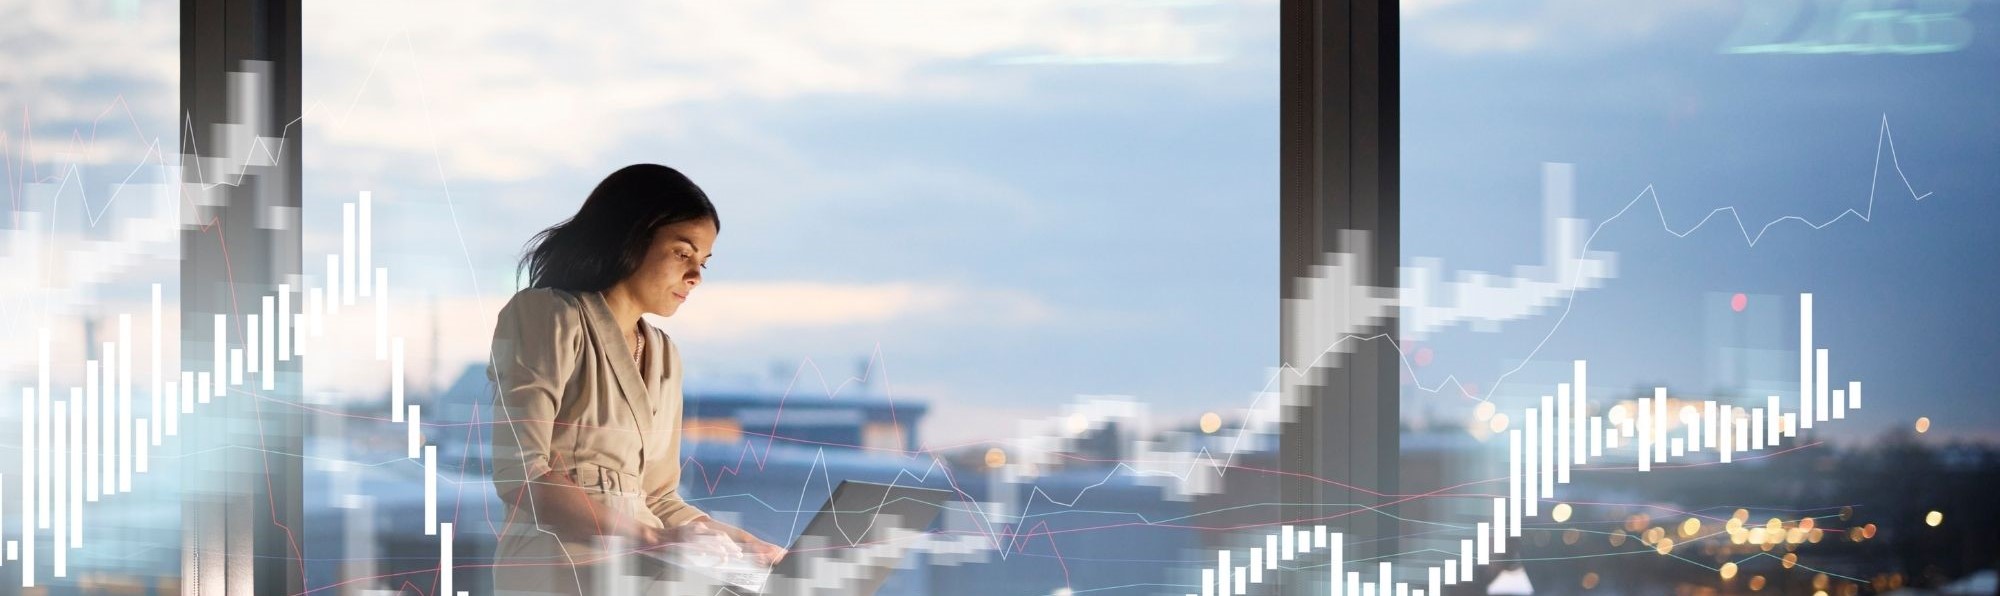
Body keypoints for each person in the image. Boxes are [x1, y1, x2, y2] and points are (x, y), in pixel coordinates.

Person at [489, 163, 784, 594]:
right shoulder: (547, 316)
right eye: (683, 253)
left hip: (640, 567)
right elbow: (522, 477)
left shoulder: (664, 355)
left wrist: (747, 546)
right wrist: (655, 539)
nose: (696, 276)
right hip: (560, 566)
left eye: (703, 262)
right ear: (632, 238)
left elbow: (659, 498)